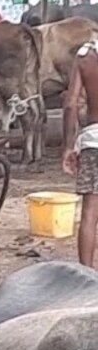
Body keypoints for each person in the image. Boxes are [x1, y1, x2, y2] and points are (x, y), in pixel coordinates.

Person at [62, 38, 98, 267]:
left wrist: (68, 145)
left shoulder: (85, 56)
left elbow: (70, 104)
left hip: (93, 140)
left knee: (89, 213)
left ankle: (86, 276)